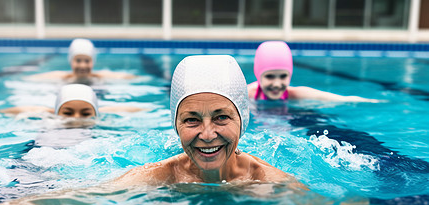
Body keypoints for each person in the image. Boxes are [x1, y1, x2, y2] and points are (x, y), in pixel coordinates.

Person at [110, 55, 306, 188]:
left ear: (242, 120)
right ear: (176, 125)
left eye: (221, 117)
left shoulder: (271, 183)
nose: (207, 134)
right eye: (192, 120)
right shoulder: (157, 177)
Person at [248, 41, 381, 102]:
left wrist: (373, 102)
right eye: (270, 76)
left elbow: (341, 99)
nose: (277, 84)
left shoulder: (295, 94)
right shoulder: (246, 95)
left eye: (283, 76)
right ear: (258, 75)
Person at [0, 84, 143, 118]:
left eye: (85, 113)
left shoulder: (100, 117)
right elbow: (25, 108)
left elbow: (128, 109)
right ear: (56, 111)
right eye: (68, 112)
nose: (76, 118)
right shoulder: (50, 117)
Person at [25, 38, 137, 84]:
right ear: (71, 61)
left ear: (93, 62)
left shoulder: (100, 76)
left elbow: (132, 78)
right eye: (78, 60)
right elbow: (29, 79)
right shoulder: (62, 77)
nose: (83, 65)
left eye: (87, 61)